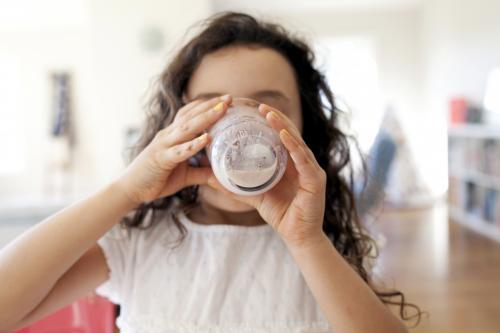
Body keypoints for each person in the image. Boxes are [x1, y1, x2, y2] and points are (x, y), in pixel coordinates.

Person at [0, 12, 421, 333]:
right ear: (177, 125)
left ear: (304, 130)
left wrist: (306, 240)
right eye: (210, 108)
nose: (240, 132)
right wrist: (127, 190)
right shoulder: (139, 243)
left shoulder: (321, 250)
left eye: (266, 109)